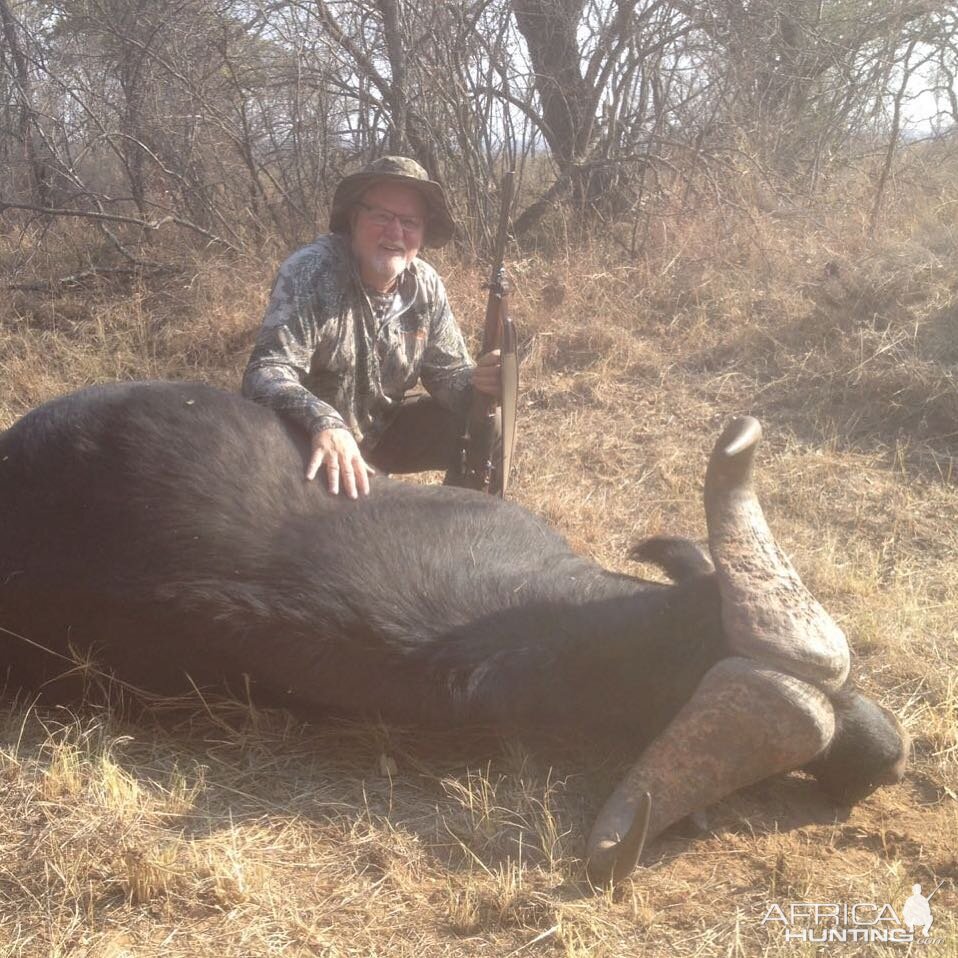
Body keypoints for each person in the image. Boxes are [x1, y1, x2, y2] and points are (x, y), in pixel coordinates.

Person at [242, 155, 500, 498]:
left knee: (486, 424)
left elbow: (447, 375)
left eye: (409, 222)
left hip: (380, 433)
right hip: (305, 443)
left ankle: (464, 524)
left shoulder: (426, 284)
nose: (395, 233)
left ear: (423, 232)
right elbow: (265, 373)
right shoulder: (310, 272)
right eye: (381, 216)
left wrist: (481, 383)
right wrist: (324, 421)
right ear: (354, 218)